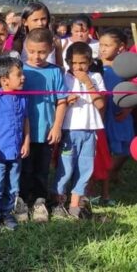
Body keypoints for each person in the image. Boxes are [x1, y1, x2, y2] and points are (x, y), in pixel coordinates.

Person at [18, 28, 67, 222]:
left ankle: (39, 201)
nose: (36, 56)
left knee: (42, 169)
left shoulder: (55, 72)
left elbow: (61, 101)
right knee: (23, 168)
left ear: (50, 51)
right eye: (31, 51)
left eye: (41, 52)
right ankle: (21, 200)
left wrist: (57, 127)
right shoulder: (19, 70)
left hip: (46, 131)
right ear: (25, 48)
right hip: (22, 133)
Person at [51, 42, 105, 219]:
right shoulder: (64, 78)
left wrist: (88, 83)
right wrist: (66, 102)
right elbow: (57, 103)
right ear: (68, 62)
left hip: (89, 130)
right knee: (66, 167)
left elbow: (100, 104)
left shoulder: (95, 77)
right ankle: (58, 202)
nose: (78, 67)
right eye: (74, 63)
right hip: (69, 129)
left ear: (89, 62)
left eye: (82, 63)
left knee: (85, 167)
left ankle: (75, 204)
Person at [0, 57, 30, 233]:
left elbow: (26, 120)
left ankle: (8, 213)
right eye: (18, 75)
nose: (23, 78)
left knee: (13, 185)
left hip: (16, 151)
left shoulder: (23, 98)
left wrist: (26, 141)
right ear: (4, 80)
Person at [97, 29, 132, 200]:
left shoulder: (126, 69)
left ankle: (113, 173)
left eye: (107, 45)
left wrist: (128, 108)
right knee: (105, 149)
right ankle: (102, 180)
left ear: (120, 47)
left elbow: (133, 89)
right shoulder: (96, 66)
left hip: (120, 113)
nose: (102, 49)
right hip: (103, 112)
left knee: (125, 148)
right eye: (101, 45)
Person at [12, 2, 64, 67]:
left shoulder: (55, 41)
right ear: (25, 22)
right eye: (35, 20)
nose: (40, 23)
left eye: (43, 19)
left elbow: (60, 67)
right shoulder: (20, 42)